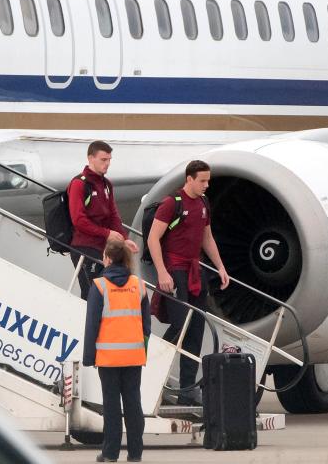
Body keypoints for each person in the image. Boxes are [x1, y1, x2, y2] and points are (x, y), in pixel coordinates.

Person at [147, 159, 230, 404]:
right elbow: (153, 239)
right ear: (189, 179)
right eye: (202, 181)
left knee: (195, 328)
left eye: (208, 181)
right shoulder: (172, 204)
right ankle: (152, 369)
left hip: (195, 269)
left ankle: (186, 389)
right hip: (175, 268)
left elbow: (207, 238)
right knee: (180, 322)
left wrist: (221, 267)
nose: (206, 185)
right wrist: (162, 272)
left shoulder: (203, 203)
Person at [83, 238, 150, 463]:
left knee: (111, 406)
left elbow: (92, 324)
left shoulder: (100, 286)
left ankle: (110, 453)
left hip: (108, 357)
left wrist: (89, 356)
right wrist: (143, 352)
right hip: (133, 355)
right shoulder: (139, 286)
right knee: (134, 403)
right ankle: (135, 453)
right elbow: (147, 327)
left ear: (109, 259)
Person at [68, 141, 138, 300]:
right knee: (91, 293)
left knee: (104, 293)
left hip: (103, 248)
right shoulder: (79, 183)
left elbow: (113, 215)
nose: (107, 164)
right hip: (84, 247)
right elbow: (78, 220)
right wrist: (106, 233)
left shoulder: (106, 185)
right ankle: (85, 324)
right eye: (103, 160)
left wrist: (124, 239)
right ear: (90, 158)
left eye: (109, 160)